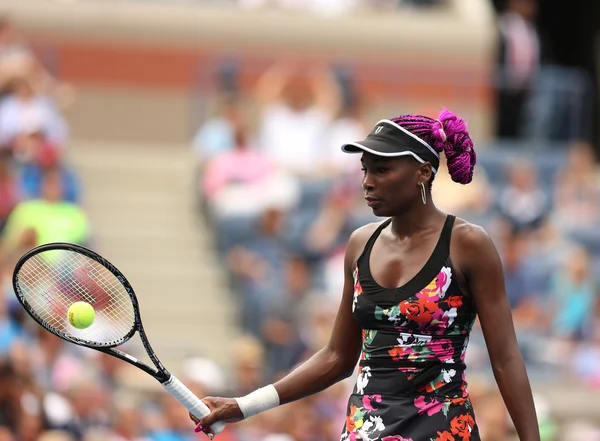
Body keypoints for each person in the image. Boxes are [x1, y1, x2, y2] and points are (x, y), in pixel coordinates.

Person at [190, 110, 540, 441]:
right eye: (364, 170)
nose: (368, 183)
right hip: (364, 429)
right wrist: (243, 406)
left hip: (443, 429)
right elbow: (337, 357)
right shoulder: (361, 243)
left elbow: (506, 358)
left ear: (423, 172)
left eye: (382, 170)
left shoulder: (468, 243)